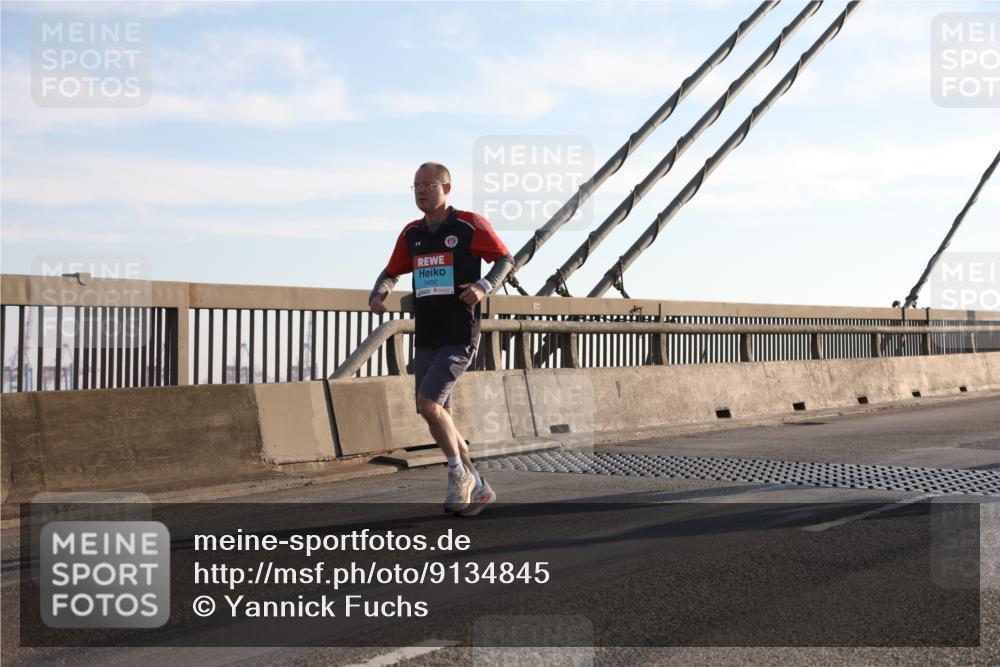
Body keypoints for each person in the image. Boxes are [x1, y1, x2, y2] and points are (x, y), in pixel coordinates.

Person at [369, 162, 514, 516]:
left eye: (428, 185)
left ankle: (456, 474)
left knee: (427, 405)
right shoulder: (412, 233)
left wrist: (483, 286)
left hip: (458, 333)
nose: (420, 191)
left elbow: (505, 260)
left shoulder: (468, 224)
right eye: (415, 186)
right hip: (427, 335)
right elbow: (391, 272)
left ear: (446, 188)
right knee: (439, 415)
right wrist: (379, 293)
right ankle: (478, 486)